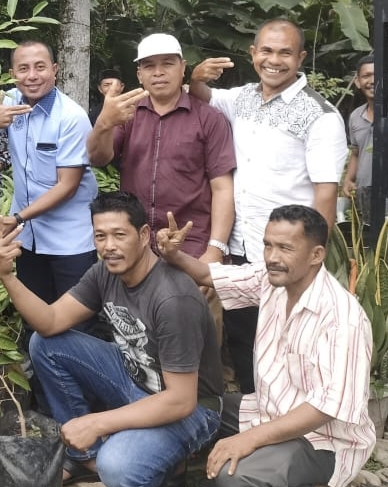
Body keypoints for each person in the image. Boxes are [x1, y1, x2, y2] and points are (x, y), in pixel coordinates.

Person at [0, 191, 223, 487]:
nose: (109, 247)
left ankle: (133, 466)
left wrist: (97, 422)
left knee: (116, 465)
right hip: (135, 378)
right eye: (100, 236)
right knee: (45, 345)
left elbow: (181, 400)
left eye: (119, 235)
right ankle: (87, 456)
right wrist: (8, 276)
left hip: (192, 408)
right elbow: (49, 322)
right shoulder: (105, 273)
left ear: (143, 235)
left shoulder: (172, 298)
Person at [157, 205, 374, 487]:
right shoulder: (271, 280)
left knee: (233, 476)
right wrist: (174, 255)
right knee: (193, 410)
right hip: (265, 410)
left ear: (316, 255)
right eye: (267, 245)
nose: (272, 257)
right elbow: (210, 276)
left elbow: (325, 409)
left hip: (324, 440)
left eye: (285, 248)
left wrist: (247, 439)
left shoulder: (343, 319)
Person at [189, 19, 348, 393]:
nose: (274, 60)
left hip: (289, 255)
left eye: (285, 53)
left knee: (290, 346)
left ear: (301, 58)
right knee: (245, 340)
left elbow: (325, 197)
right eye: (267, 51)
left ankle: (290, 434)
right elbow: (202, 95)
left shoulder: (321, 117)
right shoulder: (242, 97)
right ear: (253, 54)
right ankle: (252, 417)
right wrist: (196, 76)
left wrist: (310, 264)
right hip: (245, 247)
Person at [88, 32, 236, 264]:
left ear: (182, 67)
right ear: (139, 74)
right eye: (149, 66)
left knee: (187, 301)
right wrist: (104, 124)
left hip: (191, 243)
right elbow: (98, 158)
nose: (158, 72)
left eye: (167, 63)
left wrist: (215, 249)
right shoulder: (128, 113)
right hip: (137, 242)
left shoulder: (209, 118)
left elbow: (222, 188)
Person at [0, 40, 98, 307]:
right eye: (23, 68)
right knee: (34, 315)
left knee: (77, 322)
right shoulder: (8, 102)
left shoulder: (71, 117)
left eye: (40, 67)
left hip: (70, 240)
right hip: (28, 238)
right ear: (12, 74)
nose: (32, 76)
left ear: (55, 69)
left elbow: (67, 186)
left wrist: (17, 217)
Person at [342, 54, 388, 218]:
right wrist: (348, 179)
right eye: (366, 76)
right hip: (366, 200)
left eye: (378, 75)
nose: (372, 80)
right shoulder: (355, 116)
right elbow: (356, 152)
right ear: (357, 81)